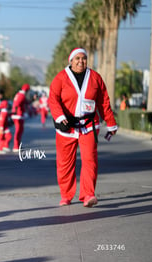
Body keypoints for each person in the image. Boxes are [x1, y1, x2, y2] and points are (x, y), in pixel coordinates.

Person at [48, 48, 118, 208]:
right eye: (77, 58)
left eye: (84, 58)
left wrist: (111, 122)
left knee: (90, 161)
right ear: (71, 61)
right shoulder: (61, 78)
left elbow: (104, 102)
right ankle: (66, 195)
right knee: (65, 163)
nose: (81, 61)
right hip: (67, 127)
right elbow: (53, 99)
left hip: (89, 126)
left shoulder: (95, 78)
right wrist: (60, 116)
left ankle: (88, 195)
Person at [11, 83, 30, 152]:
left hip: (18, 115)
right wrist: (16, 112)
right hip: (18, 115)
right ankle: (16, 146)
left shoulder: (19, 94)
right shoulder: (21, 95)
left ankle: (18, 145)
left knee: (20, 130)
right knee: (18, 131)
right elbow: (16, 104)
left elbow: (25, 103)